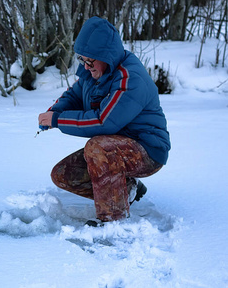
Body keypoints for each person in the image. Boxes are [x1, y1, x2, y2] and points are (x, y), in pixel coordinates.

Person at [38, 16, 171, 225]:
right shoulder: (93, 73)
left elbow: (104, 122)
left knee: (98, 147)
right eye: (82, 59)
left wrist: (58, 120)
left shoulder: (130, 78)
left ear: (107, 56)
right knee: (63, 175)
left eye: (90, 60)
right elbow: (74, 95)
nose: (86, 65)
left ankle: (113, 221)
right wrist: (54, 112)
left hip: (148, 150)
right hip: (116, 147)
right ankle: (127, 190)